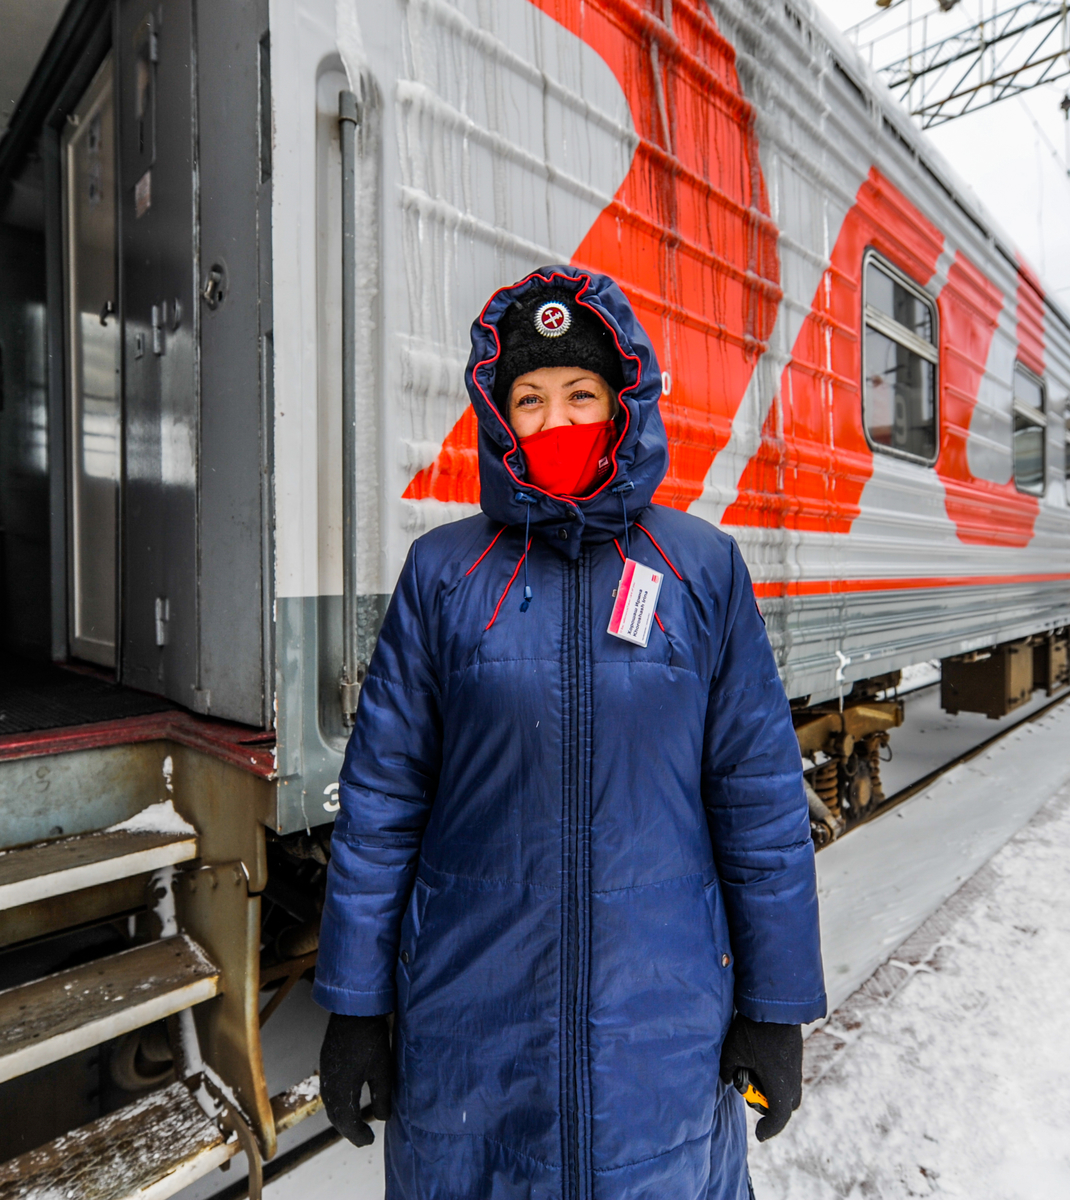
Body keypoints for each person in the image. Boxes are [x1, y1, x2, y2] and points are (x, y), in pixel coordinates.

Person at [312, 266, 826, 1200]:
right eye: (532, 399)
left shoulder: (701, 568)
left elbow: (759, 803)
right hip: (473, 1031)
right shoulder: (444, 575)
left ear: (624, 403)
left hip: (660, 1038)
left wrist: (776, 1006)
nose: (558, 422)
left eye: (582, 395)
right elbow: (382, 805)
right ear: (500, 418)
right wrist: (356, 1007)